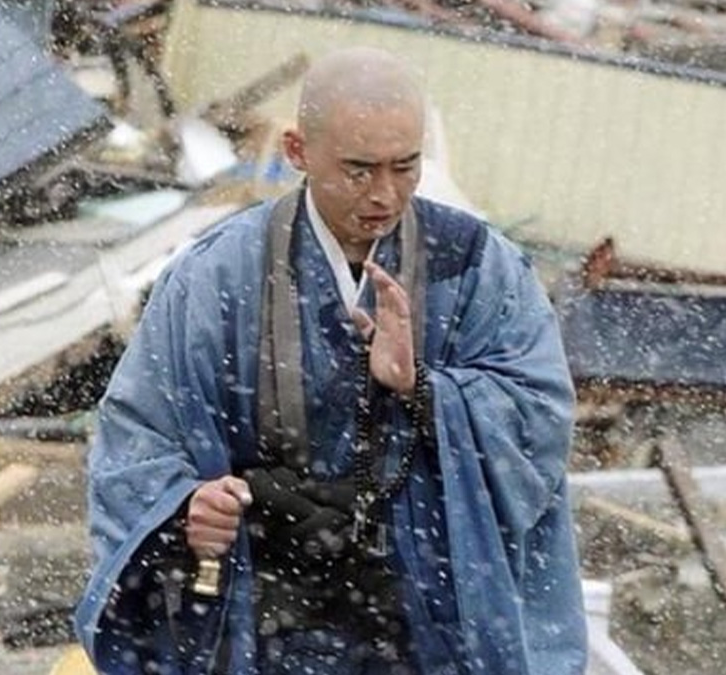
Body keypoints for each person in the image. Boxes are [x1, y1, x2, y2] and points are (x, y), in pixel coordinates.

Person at [74, 47, 587, 675]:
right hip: (269, 602)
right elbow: (140, 436)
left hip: (431, 605)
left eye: (406, 167)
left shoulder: (478, 264)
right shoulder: (219, 272)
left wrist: (424, 389)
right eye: (359, 169)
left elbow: (540, 418)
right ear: (297, 151)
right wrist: (187, 507)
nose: (385, 194)